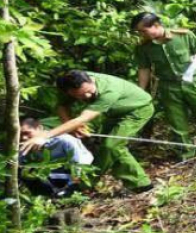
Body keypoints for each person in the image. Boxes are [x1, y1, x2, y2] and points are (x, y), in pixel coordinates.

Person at [21, 70, 154, 193]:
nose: (88, 95)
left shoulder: (109, 90)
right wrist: (74, 127)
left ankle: (84, 184)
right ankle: (141, 184)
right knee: (109, 147)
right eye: (81, 95)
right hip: (114, 113)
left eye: (89, 91)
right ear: (69, 92)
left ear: (91, 80)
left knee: (110, 146)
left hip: (137, 110)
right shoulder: (67, 83)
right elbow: (62, 106)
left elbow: (83, 118)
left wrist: (45, 135)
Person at [132, 12, 196, 160]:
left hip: (194, 81)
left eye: (143, 31)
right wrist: (141, 90)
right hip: (168, 85)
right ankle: (185, 153)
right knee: (176, 121)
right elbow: (144, 69)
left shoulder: (184, 35)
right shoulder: (144, 47)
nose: (141, 34)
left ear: (156, 25)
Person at [19, 117, 94, 198]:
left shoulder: (63, 140)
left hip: (81, 175)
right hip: (53, 178)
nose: (24, 138)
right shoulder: (25, 146)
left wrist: (70, 187)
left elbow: (79, 166)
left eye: (27, 133)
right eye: (20, 135)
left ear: (39, 128)